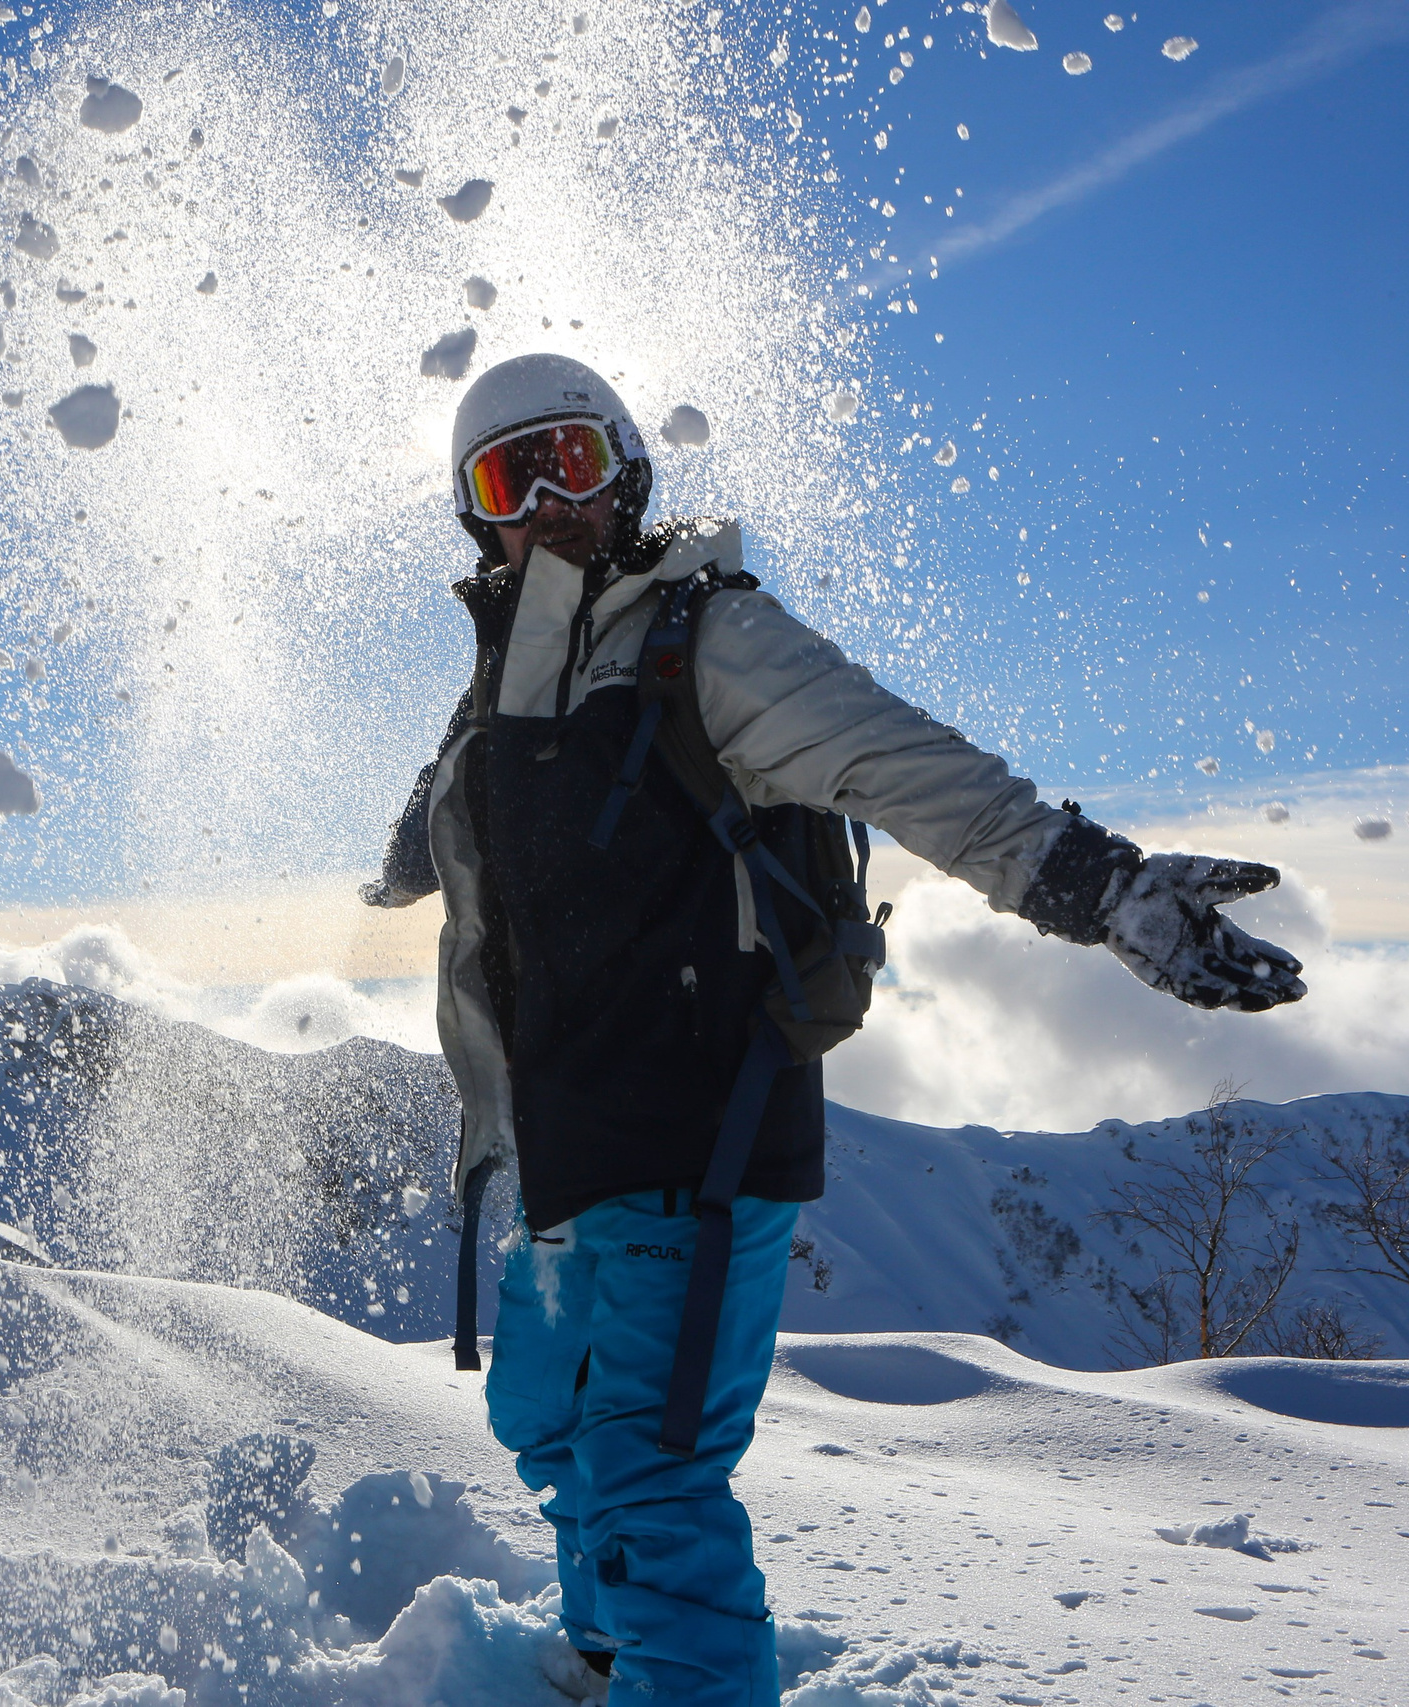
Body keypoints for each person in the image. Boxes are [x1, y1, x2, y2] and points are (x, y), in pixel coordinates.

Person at [361, 353, 1305, 1705]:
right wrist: (415, 849)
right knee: (550, 1421)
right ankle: (608, 1660)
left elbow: (905, 764)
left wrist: (1104, 889)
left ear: (629, 472)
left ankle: (678, 1673)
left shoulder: (709, 641)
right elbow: (465, 820)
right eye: (517, 477)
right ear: (479, 519)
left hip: (698, 1140)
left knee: (651, 1474)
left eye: (577, 459)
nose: (555, 500)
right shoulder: (509, 687)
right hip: (568, 1150)